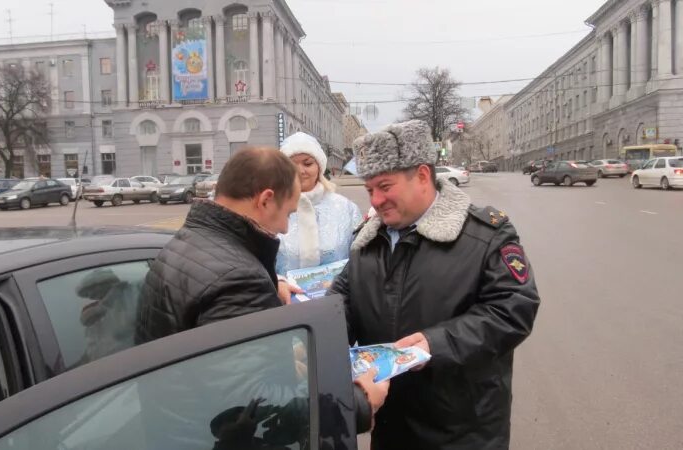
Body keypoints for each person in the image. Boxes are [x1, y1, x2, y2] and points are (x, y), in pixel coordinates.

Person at [135, 147, 388, 441]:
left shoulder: (188, 241)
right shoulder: (237, 279)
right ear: (266, 200)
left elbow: (216, 367)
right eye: (288, 214)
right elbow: (250, 405)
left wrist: (279, 359)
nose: (283, 229)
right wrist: (356, 403)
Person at [329, 120, 541, 449]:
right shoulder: (367, 241)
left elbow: (513, 310)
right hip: (389, 425)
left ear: (424, 176)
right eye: (370, 190)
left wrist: (433, 344)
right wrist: (315, 342)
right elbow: (341, 302)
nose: (376, 200)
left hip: (461, 432)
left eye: (385, 186)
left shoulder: (486, 235)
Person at [276, 132, 363, 303]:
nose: (301, 171)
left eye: (308, 163)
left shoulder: (345, 208)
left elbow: (361, 257)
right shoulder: (271, 207)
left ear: (319, 167)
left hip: (339, 303)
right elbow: (255, 258)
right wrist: (276, 281)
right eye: (292, 165)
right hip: (285, 306)